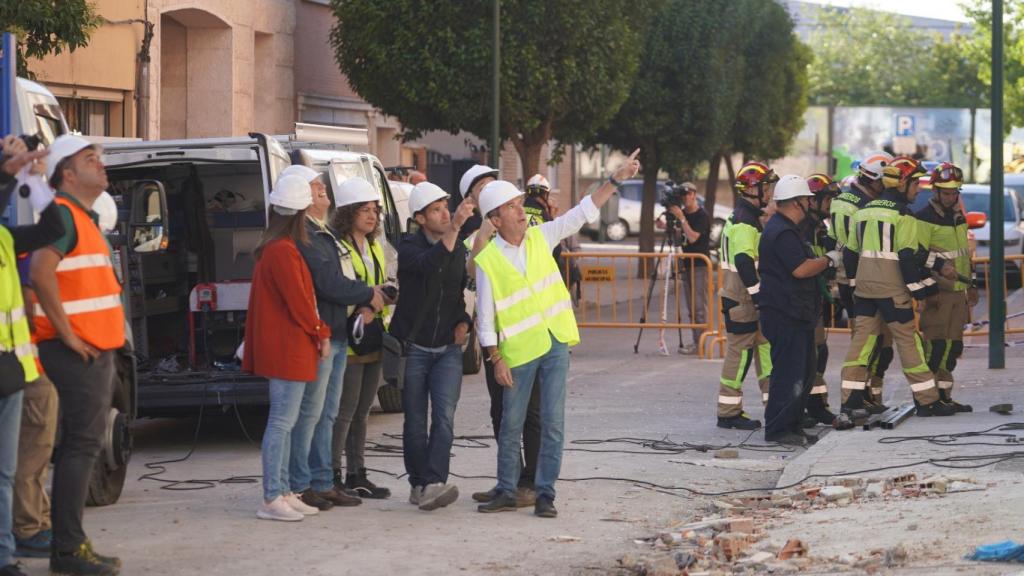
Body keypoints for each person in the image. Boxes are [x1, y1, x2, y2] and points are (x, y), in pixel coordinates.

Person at [475, 149, 641, 518]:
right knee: (510, 424)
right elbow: (485, 317)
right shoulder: (487, 261)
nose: (522, 210)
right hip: (517, 352)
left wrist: (616, 178)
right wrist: (495, 357)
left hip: (554, 344)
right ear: (495, 219)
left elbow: (581, 212)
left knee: (552, 422)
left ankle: (545, 493)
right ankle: (506, 489)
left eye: (520, 203)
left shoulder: (540, 237)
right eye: (513, 206)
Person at [27, 135, 124, 575]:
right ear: (67, 173)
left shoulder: (80, 219)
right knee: (81, 446)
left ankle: (69, 544)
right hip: (79, 350)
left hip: (94, 348)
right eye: (90, 159)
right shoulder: (65, 216)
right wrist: (66, 335)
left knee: (78, 445)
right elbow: (40, 273)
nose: (100, 164)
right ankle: (68, 550)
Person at [286, 165, 379, 510]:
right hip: (322, 336)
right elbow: (328, 283)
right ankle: (303, 483)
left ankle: (323, 481)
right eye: (314, 186)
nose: (322, 189)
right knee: (311, 414)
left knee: (326, 413)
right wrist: (368, 293)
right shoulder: (306, 236)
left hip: (338, 333)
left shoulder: (321, 233)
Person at [839, 157, 957, 417]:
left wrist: (854, 285)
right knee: (909, 343)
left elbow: (850, 254)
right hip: (893, 293)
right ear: (902, 184)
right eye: (915, 184)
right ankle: (927, 401)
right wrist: (919, 292)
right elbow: (906, 256)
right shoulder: (904, 216)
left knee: (862, 344)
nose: (918, 190)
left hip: (865, 292)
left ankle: (849, 401)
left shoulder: (863, 211)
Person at [243, 174, 331, 522]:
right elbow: (300, 301)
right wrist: (321, 331)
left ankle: (283, 491)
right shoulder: (283, 250)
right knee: (282, 422)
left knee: (287, 421)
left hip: (289, 345)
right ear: (298, 212)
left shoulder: (278, 247)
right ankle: (272, 496)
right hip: (288, 347)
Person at [390, 182, 475, 510]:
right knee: (414, 420)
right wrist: (455, 227)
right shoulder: (408, 246)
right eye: (437, 209)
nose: (445, 213)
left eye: (446, 207)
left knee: (444, 417)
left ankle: (434, 482)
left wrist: (464, 322)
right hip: (414, 348)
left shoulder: (457, 249)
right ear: (421, 218)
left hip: (447, 351)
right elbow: (430, 266)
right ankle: (419, 483)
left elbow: (455, 294)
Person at [1, 136, 60, 576]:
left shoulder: (5, 239)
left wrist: (33, 180)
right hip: (17, 370)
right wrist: (11, 170)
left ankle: (6, 555)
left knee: (8, 472)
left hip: (14, 370)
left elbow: (51, 230)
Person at [757, 175, 842, 446]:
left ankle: (792, 425)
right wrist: (829, 259)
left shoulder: (788, 229)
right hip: (785, 314)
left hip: (796, 313)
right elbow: (801, 269)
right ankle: (779, 429)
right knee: (788, 375)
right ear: (796, 202)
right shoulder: (782, 232)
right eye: (806, 199)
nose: (810, 202)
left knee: (803, 372)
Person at [330, 177, 396, 498]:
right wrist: (370, 299)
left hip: (373, 335)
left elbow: (381, 285)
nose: (371, 216)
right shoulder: (337, 247)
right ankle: (332, 475)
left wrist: (385, 295)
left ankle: (358, 473)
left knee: (363, 410)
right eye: (364, 210)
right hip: (350, 337)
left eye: (374, 211)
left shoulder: (374, 247)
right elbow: (342, 289)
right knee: (345, 410)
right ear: (347, 213)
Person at [715, 161, 778, 430]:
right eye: (767, 187)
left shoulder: (746, 217)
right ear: (753, 189)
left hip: (744, 298)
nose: (770, 193)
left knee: (765, 351)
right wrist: (758, 296)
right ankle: (728, 412)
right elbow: (743, 261)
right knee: (739, 355)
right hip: (742, 299)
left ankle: (773, 404)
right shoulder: (744, 222)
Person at [833, 152, 895, 411]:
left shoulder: (845, 198)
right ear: (876, 181)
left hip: (853, 280)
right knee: (870, 342)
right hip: (861, 281)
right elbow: (854, 249)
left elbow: (832, 239)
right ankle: (858, 396)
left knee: (872, 342)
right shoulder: (864, 206)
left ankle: (867, 394)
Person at [915, 162, 974, 412]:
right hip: (938, 294)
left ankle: (944, 397)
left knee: (953, 347)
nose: (951, 197)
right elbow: (916, 256)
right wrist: (928, 291)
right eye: (946, 192)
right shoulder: (923, 219)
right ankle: (927, 401)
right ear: (935, 191)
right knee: (935, 347)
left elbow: (964, 255)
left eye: (954, 192)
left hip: (958, 293)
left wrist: (970, 286)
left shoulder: (958, 218)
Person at [801, 174, 850, 429]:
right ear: (814, 200)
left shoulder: (820, 227)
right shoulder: (803, 228)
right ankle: (806, 407)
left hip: (814, 301)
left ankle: (817, 404)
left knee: (819, 353)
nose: (832, 204)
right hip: (803, 304)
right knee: (809, 355)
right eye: (829, 198)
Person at [666, 182, 711, 354]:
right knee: (691, 307)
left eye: (688, 195)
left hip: (699, 265)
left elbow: (692, 238)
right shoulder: (682, 213)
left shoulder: (701, 216)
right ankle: (696, 341)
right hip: (685, 264)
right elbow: (678, 235)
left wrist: (682, 218)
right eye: (683, 196)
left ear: (694, 195)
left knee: (699, 306)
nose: (685, 198)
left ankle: (701, 342)